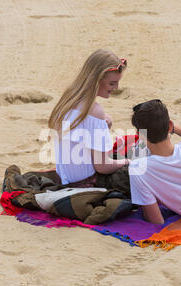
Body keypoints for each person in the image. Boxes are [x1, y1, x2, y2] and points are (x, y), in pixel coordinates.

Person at [48, 49, 130, 189]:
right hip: (86, 183)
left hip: (65, 178)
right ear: (97, 80)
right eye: (112, 83)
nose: (116, 87)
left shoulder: (68, 99)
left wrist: (105, 125)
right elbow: (102, 167)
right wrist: (127, 162)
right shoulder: (95, 111)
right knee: (140, 161)